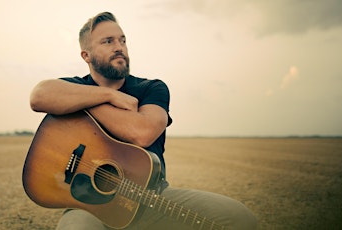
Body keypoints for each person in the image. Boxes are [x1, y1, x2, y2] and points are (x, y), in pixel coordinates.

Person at [30, 12, 257, 230]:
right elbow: (39, 95)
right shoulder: (75, 85)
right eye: (108, 41)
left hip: (151, 201)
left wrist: (85, 102)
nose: (119, 48)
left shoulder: (151, 88)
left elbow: (143, 133)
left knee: (240, 219)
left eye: (123, 40)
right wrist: (109, 95)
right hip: (89, 209)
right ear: (86, 56)